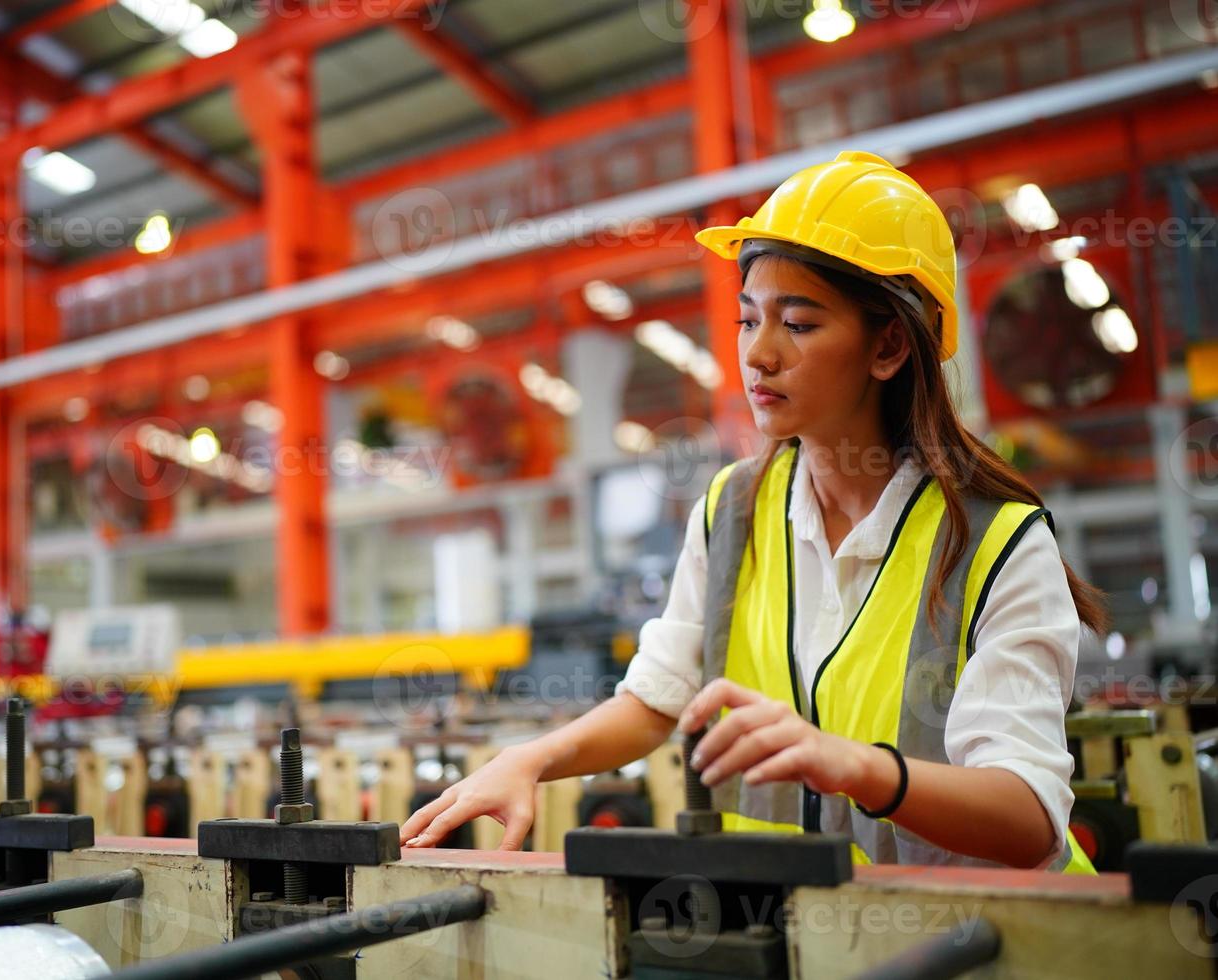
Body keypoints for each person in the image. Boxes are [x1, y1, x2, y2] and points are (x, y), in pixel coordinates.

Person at [400, 151, 1107, 872]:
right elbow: (657, 699)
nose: (758, 355)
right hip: (803, 941)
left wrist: (862, 769)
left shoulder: (996, 542)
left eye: (798, 324)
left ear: (890, 344)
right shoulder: (732, 512)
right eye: (748, 320)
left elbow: (1028, 819)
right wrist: (528, 759)